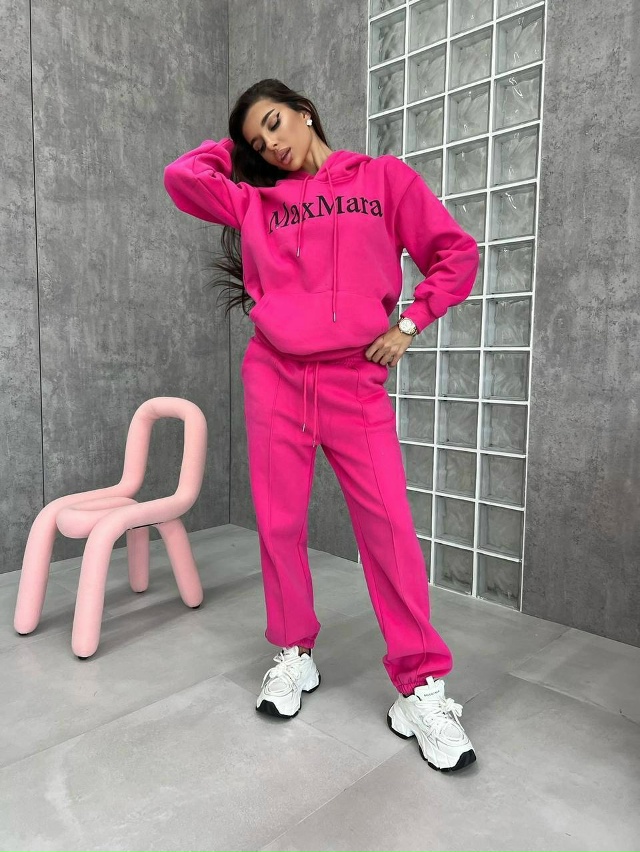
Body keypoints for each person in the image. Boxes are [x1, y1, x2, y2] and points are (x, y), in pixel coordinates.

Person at [164, 79, 479, 772]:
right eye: (258, 140)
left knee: (388, 530)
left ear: (306, 112)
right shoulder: (254, 199)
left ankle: (420, 689)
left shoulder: (383, 180)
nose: (272, 143)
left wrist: (409, 323)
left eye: (276, 123)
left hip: (353, 382)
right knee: (279, 524)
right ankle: (294, 653)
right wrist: (235, 155)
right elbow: (180, 177)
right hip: (274, 377)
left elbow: (456, 253)